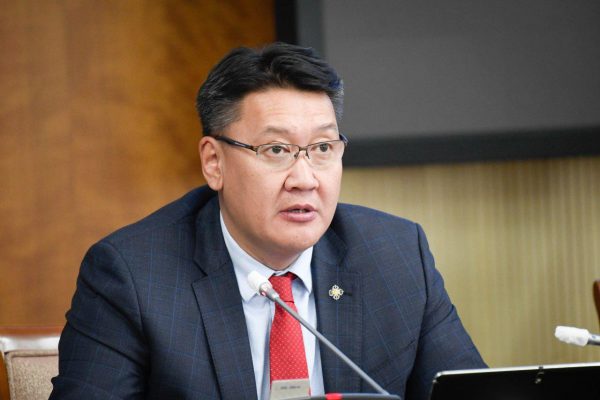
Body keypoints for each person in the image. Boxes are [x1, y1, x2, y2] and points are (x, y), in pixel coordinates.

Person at [50, 42, 485, 400]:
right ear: (214, 162)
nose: (305, 179)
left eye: (322, 149)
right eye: (276, 150)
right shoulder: (133, 276)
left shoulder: (396, 257)